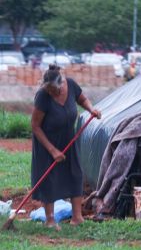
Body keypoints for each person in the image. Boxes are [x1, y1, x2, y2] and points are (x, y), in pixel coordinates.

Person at [31, 64, 101, 230]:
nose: (51, 93)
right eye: (48, 91)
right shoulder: (42, 96)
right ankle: (50, 220)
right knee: (49, 179)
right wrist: (53, 150)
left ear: (62, 84)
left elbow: (82, 99)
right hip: (47, 142)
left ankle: (77, 217)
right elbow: (35, 126)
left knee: (75, 174)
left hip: (69, 139)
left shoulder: (71, 84)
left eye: (54, 90)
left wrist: (91, 109)